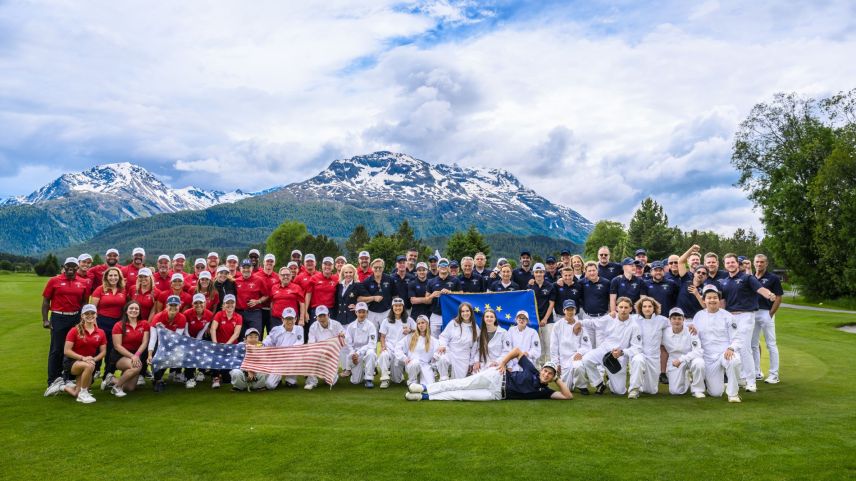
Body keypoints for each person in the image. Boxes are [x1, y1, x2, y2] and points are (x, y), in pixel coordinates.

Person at [405, 347, 572, 401]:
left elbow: (567, 396)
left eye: (550, 374)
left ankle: (424, 397)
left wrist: (557, 378)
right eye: (546, 371)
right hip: (497, 377)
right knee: (461, 383)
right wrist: (503, 363)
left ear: (552, 377)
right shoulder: (532, 370)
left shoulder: (545, 391)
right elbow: (517, 351)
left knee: (461, 395)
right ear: (542, 369)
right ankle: (424, 387)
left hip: (496, 395)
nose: (546, 374)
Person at [717, 253, 776, 393]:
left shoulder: (747, 278)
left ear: (737, 264)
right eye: (728, 263)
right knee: (733, 347)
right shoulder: (724, 282)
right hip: (730, 317)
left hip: (746, 316)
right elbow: (723, 302)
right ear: (725, 265)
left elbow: (760, 289)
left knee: (744, 348)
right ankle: (740, 379)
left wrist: (769, 295)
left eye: (732, 262)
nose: (730, 264)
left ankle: (751, 382)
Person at [688, 285, 744, 403]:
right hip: (708, 357)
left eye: (715, 297)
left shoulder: (727, 316)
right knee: (716, 393)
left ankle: (733, 394)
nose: (712, 300)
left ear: (719, 300)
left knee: (734, 360)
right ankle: (714, 384)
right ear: (704, 300)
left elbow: (737, 338)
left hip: (725, 353)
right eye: (709, 298)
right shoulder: (698, 316)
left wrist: (731, 348)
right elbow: (694, 337)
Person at [42, 257, 89, 395]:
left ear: (77, 268)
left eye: (73, 266)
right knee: (56, 349)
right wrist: (45, 320)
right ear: (63, 266)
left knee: (73, 348)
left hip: (75, 317)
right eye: (68, 266)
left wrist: (83, 319)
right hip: (59, 317)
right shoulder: (54, 281)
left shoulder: (82, 283)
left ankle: (68, 377)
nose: (70, 269)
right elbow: (46, 302)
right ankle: (53, 380)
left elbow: (84, 302)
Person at [580, 296, 641, 395]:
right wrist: (579, 323)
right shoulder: (610, 318)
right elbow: (594, 323)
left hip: (618, 357)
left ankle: (610, 380)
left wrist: (622, 352)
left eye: (626, 307)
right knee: (586, 359)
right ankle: (599, 384)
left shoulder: (634, 325)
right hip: (603, 350)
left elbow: (636, 347)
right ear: (616, 308)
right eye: (621, 307)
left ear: (631, 309)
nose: (623, 310)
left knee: (619, 391)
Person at [48, 305, 106, 403]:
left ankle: (61, 386)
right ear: (82, 316)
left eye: (92, 313)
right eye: (87, 314)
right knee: (89, 366)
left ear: (96, 315)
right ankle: (83, 394)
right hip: (71, 363)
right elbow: (67, 351)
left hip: (89, 362)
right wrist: (83, 358)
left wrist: (94, 359)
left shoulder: (101, 332)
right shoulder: (74, 330)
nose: (90, 315)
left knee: (76, 393)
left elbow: (103, 351)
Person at [90, 266, 127, 386]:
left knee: (112, 351)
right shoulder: (100, 289)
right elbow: (92, 310)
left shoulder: (123, 290)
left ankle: (107, 376)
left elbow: (125, 308)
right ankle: (90, 376)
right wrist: (94, 326)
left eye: (116, 275)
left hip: (116, 324)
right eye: (110, 275)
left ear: (119, 277)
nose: (113, 277)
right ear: (106, 277)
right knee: (98, 350)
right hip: (101, 322)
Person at [626, 296, 669, 399]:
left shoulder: (662, 320)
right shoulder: (634, 319)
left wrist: (690, 326)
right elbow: (620, 319)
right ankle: (634, 390)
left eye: (650, 306)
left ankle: (642, 385)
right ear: (640, 308)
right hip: (639, 353)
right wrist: (612, 314)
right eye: (644, 306)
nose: (647, 308)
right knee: (638, 360)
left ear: (654, 308)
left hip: (654, 357)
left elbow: (677, 325)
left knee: (651, 391)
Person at [751, 254, 783, 384]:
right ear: (754, 263)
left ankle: (774, 375)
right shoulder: (751, 277)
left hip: (766, 312)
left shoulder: (773, 278)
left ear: (766, 263)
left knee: (771, 344)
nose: (759, 264)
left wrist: (771, 313)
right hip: (753, 313)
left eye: (762, 262)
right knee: (753, 344)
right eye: (757, 262)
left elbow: (779, 297)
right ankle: (756, 372)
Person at [661, 307, 705, 397]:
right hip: (674, 360)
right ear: (669, 320)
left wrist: (681, 359)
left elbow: (698, 351)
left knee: (699, 363)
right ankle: (687, 379)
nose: (676, 321)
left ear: (683, 319)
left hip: (691, 358)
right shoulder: (664, 332)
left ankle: (698, 390)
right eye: (674, 318)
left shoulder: (691, 330)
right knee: (675, 391)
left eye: (679, 318)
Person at [549, 300, 591, 394]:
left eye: (572, 309)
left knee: (579, 366)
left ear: (575, 310)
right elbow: (553, 346)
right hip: (564, 361)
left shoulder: (580, 325)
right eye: (568, 309)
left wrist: (580, 353)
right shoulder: (557, 326)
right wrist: (556, 363)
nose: (570, 312)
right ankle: (572, 382)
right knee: (567, 388)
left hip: (576, 357)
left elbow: (587, 345)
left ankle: (582, 386)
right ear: (564, 311)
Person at [108, 301, 149, 397]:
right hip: (120, 355)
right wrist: (132, 357)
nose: (134, 310)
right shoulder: (118, 325)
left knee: (130, 388)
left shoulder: (144, 324)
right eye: (131, 308)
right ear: (126, 311)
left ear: (139, 311)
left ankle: (111, 379)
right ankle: (116, 387)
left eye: (136, 309)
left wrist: (136, 355)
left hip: (136, 355)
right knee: (137, 366)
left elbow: (145, 342)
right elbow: (117, 346)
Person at [148, 295, 188, 392]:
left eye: (176, 305)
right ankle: (158, 379)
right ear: (166, 305)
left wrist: (164, 329)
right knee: (155, 357)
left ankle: (158, 378)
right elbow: (153, 338)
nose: (173, 307)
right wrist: (149, 354)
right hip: (158, 342)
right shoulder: (158, 317)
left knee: (171, 356)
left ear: (179, 306)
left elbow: (176, 338)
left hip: (172, 343)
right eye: (171, 305)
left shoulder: (182, 318)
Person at [377, 298, 416, 388]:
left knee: (396, 380)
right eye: (395, 306)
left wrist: (410, 330)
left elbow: (418, 331)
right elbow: (382, 336)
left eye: (400, 306)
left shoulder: (409, 320)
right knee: (384, 355)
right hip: (390, 348)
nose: (398, 308)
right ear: (392, 307)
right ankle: (384, 378)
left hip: (403, 350)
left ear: (403, 307)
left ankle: (400, 376)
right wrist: (383, 346)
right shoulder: (386, 321)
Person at [305, 305, 345, 390]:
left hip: (333, 354)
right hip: (318, 352)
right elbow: (311, 344)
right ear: (316, 317)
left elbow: (344, 336)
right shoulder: (313, 327)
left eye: (324, 315)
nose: (322, 318)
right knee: (310, 356)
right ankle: (312, 382)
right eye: (320, 316)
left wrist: (343, 335)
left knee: (331, 381)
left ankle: (329, 374)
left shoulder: (337, 324)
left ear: (328, 315)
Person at [436, 302, 479, 380]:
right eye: (463, 311)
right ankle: (443, 380)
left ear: (471, 312)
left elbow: (475, 347)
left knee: (458, 381)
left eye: (467, 311)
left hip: (464, 357)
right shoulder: (454, 323)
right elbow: (444, 336)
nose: (465, 313)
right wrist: (443, 345)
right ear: (460, 313)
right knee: (443, 359)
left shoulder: (475, 327)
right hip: (451, 352)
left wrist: (471, 362)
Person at [263, 308, 303, 389]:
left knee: (299, 355)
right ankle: (278, 379)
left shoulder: (299, 329)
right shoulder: (276, 329)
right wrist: (261, 345)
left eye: (291, 318)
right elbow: (268, 341)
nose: (289, 321)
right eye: (287, 319)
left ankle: (291, 380)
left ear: (295, 319)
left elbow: (299, 343)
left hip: (291, 358)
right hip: (277, 360)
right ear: (282, 319)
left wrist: (286, 352)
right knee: (270, 385)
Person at [210, 294, 242, 388]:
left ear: (235, 304)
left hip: (231, 347)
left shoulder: (238, 317)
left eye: (232, 303)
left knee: (227, 379)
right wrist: (215, 343)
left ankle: (222, 375)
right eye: (227, 303)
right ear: (224, 304)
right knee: (216, 358)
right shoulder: (219, 314)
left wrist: (227, 345)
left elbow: (236, 334)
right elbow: (213, 329)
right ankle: (215, 377)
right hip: (218, 345)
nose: (230, 305)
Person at [576, 262, 611, 348]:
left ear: (597, 271)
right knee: (589, 344)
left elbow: (610, 299)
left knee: (601, 345)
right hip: (587, 317)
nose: (592, 273)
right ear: (585, 272)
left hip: (602, 317)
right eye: (589, 271)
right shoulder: (581, 283)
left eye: (594, 270)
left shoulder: (606, 282)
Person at [182, 293, 214, 388]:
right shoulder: (187, 313)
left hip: (199, 338)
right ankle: (189, 377)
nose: (198, 305)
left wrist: (197, 342)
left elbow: (203, 330)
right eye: (196, 303)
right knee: (190, 353)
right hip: (187, 337)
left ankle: (201, 371)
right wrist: (191, 342)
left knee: (202, 350)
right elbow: (185, 331)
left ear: (205, 303)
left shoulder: (209, 314)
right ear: (193, 304)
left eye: (201, 302)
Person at [343, 302, 378, 388]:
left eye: (363, 312)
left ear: (367, 312)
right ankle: (363, 371)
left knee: (371, 353)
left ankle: (369, 379)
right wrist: (353, 354)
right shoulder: (350, 326)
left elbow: (372, 344)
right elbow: (348, 343)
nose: (361, 314)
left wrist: (358, 353)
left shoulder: (371, 326)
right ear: (356, 312)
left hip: (366, 351)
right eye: (359, 312)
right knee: (356, 381)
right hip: (355, 353)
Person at [356, 258, 396, 331]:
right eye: (375, 267)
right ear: (371, 268)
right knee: (373, 333)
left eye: (380, 267)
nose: (378, 269)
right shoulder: (367, 281)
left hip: (387, 311)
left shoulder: (390, 279)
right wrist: (373, 298)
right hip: (372, 312)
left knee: (388, 333)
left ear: (383, 268)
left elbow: (395, 296)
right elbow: (359, 298)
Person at [234, 259, 269, 340]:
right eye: (244, 267)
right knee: (241, 338)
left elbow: (266, 295)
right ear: (240, 268)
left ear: (252, 268)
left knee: (255, 337)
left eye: (248, 267)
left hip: (254, 313)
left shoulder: (259, 280)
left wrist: (258, 301)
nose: (246, 270)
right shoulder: (236, 281)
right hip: (240, 313)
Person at [426, 258, 462, 337]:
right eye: (441, 265)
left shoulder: (455, 280)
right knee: (434, 339)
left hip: (451, 313)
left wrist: (451, 293)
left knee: (452, 337)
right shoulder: (431, 281)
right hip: (436, 314)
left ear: (449, 267)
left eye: (445, 265)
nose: (443, 266)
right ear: (438, 267)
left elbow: (461, 296)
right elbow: (427, 300)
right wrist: (432, 295)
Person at [305, 257, 339, 335]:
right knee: (315, 332)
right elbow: (308, 294)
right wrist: (305, 311)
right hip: (316, 310)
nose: (327, 266)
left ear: (333, 267)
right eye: (325, 264)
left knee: (330, 333)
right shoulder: (314, 278)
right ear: (322, 266)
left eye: (329, 264)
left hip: (330, 310)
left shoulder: (336, 279)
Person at [530, 263, 555, 366]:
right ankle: (539, 366)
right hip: (535, 320)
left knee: (548, 344)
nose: (539, 274)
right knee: (538, 344)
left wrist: (545, 319)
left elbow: (551, 304)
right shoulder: (530, 286)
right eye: (536, 272)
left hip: (547, 320)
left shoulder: (550, 286)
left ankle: (549, 365)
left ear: (544, 273)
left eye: (541, 272)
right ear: (533, 273)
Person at [270, 266, 305, 331]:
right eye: (283, 275)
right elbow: (272, 303)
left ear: (291, 276)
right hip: (276, 319)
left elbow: (302, 303)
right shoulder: (274, 287)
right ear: (279, 276)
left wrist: (301, 319)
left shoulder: (296, 287)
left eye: (288, 275)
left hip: (291, 320)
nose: (285, 276)